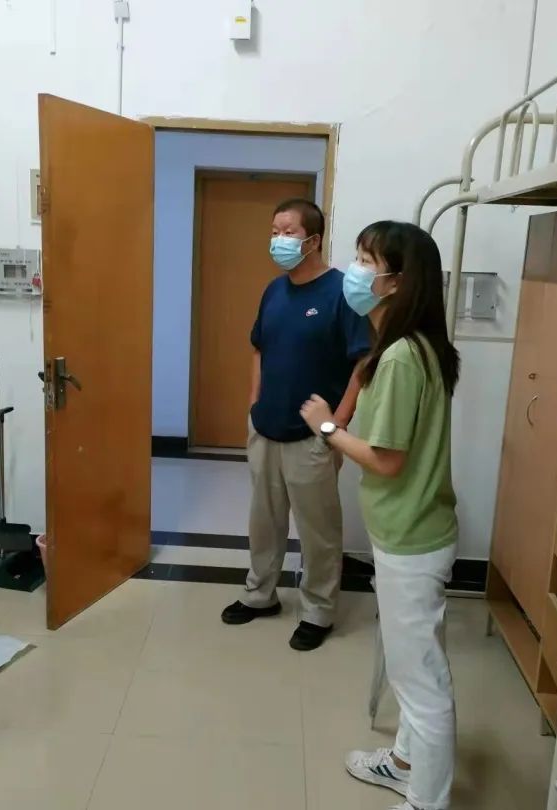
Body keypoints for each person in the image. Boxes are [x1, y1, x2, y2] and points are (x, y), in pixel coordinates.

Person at [300, 221, 460, 810]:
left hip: (412, 539)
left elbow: (387, 460)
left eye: (367, 260)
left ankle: (426, 801)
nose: (356, 270)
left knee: (421, 682)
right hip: (410, 531)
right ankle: (403, 763)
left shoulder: (401, 359)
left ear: (398, 280)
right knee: (408, 664)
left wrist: (325, 426)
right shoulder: (411, 348)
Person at [221, 198, 371, 651]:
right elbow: (259, 349)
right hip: (266, 427)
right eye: (274, 231)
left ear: (313, 240)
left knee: (318, 530)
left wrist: (337, 425)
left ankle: (318, 610)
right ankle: (260, 594)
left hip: (312, 436)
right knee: (263, 522)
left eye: (288, 232)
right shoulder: (274, 291)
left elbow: (364, 361)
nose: (278, 240)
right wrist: (254, 403)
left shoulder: (341, 293)